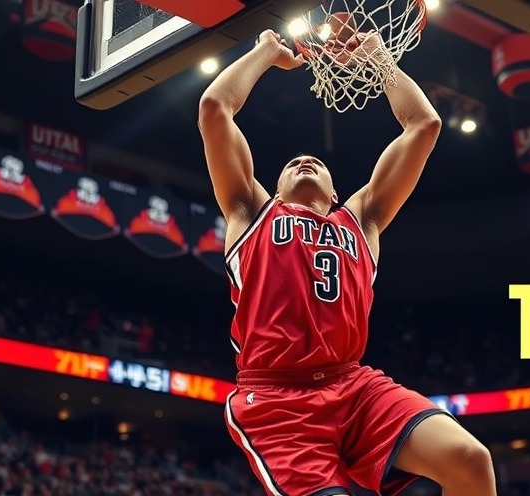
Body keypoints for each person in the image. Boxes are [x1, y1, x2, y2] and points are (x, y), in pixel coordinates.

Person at [197, 26, 497, 496]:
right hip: (279, 398)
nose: (304, 161)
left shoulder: (363, 221)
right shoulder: (250, 211)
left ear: (337, 193)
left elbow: (425, 124)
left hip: (354, 386)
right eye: (293, 162)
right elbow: (215, 110)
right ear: (272, 188)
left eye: (314, 160)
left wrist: (379, 60)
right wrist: (265, 53)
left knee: (470, 460)